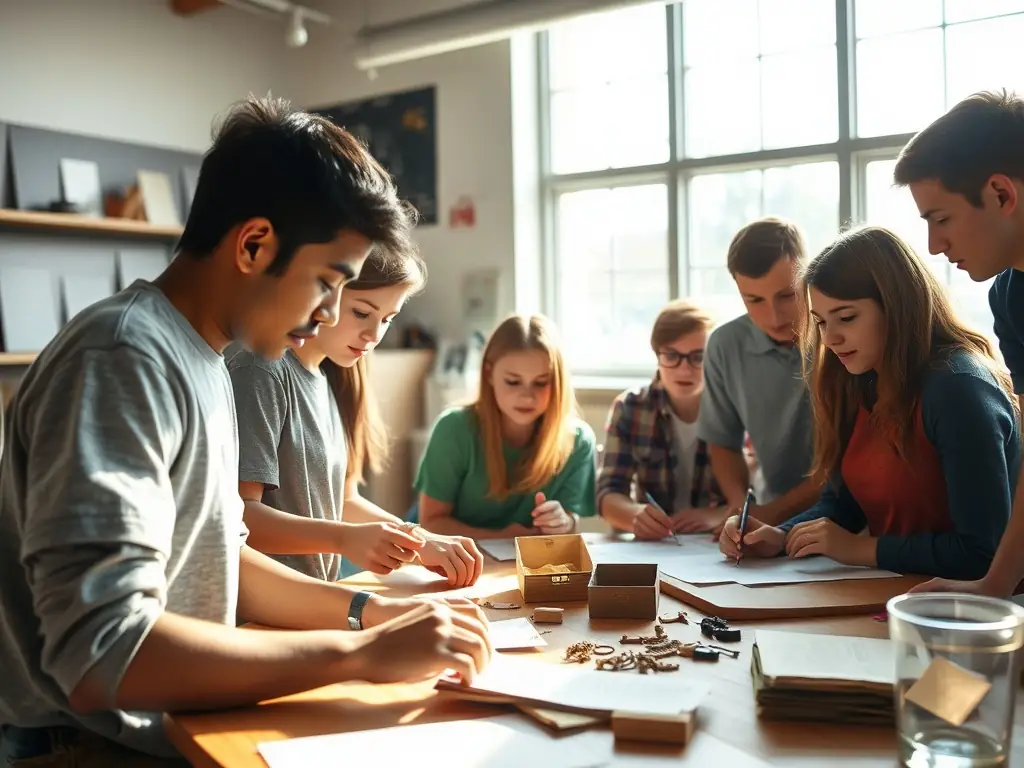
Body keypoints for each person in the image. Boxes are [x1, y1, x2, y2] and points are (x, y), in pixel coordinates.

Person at [0, 96, 490, 766]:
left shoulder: (208, 358)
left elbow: (224, 555)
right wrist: (360, 654)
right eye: (328, 281)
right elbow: (102, 654)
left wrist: (367, 615)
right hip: (86, 746)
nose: (328, 314)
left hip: (174, 731)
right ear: (254, 243)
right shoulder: (120, 359)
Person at [719, 227, 1020, 579]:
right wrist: (781, 536)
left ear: (897, 306)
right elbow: (844, 503)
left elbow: (982, 552)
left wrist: (860, 549)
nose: (830, 339)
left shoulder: (959, 389)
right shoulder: (860, 379)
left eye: (846, 318)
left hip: (975, 612)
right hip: (891, 593)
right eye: (821, 322)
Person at [229, 250, 485, 588]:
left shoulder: (330, 375)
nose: (374, 335)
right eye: (362, 312)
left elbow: (346, 500)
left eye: (387, 318)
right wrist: (345, 539)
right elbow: (243, 516)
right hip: (266, 608)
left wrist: (421, 540)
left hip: (317, 597)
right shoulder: (261, 371)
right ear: (325, 292)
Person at [891, 90, 1024, 596]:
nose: (934, 247)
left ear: (1000, 194)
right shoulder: (1010, 296)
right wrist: (995, 586)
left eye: (940, 219)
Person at [414, 314, 597, 539]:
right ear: (489, 374)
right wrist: (500, 536)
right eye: (513, 381)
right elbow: (430, 523)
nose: (527, 397)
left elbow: (571, 524)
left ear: (558, 382)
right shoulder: (454, 429)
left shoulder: (577, 440)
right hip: (446, 557)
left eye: (541, 383)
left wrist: (563, 522)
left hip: (519, 565)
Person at [695, 217, 819, 532]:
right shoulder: (725, 345)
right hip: (768, 517)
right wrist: (742, 509)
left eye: (786, 296)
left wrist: (771, 514)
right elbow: (723, 441)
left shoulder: (840, 335)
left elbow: (848, 461)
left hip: (851, 518)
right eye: (755, 300)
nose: (773, 316)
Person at [598, 299, 724, 540]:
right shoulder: (630, 407)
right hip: (653, 544)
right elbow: (608, 493)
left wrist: (719, 514)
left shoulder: (734, 408)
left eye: (698, 357)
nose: (684, 369)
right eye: (672, 355)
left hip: (716, 543)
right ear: (657, 356)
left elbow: (759, 496)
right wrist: (634, 515)